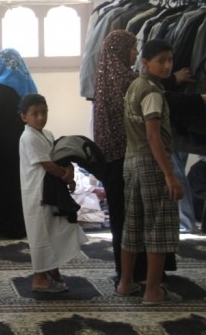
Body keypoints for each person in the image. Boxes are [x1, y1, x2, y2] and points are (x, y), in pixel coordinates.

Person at [115, 39, 183, 304]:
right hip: (151, 164)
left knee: (133, 225)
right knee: (158, 227)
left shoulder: (135, 86)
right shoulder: (152, 92)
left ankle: (125, 283)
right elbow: (153, 135)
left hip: (131, 161)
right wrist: (169, 174)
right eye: (160, 61)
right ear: (145, 62)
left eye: (170, 60)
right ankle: (153, 290)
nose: (167, 66)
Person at [18, 93, 88, 292]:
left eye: (44, 112)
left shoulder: (47, 134)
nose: (41, 117)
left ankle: (52, 268)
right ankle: (39, 278)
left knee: (54, 230)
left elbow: (59, 156)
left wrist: (70, 169)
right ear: (24, 117)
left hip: (50, 190)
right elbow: (47, 164)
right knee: (40, 234)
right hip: (37, 194)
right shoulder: (28, 137)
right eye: (35, 114)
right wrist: (67, 177)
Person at [92, 30, 139, 280]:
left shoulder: (104, 80)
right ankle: (134, 272)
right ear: (120, 51)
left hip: (109, 159)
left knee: (119, 215)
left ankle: (124, 271)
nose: (136, 53)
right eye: (132, 48)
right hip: (126, 157)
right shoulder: (128, 81)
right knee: (131, 215)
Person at [0, 48, 38, 239]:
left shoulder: (0, 87)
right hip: (23, 143)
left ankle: (2, 225)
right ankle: (22, 224)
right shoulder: (27, 83)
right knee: (19, 184)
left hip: (0, 147)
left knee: (0, 183)